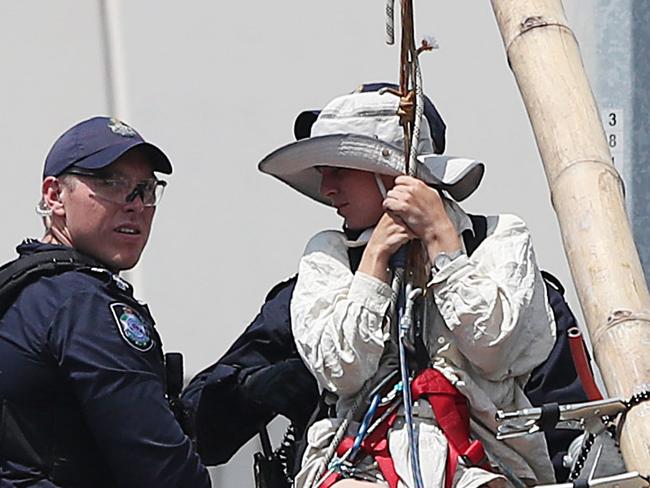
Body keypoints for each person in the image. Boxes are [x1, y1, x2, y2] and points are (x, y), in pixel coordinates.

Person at [257, 87, 557, 487]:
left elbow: (492, 349)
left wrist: (441, 241)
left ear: (393, 175)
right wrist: (375, 261)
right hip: (360, 463)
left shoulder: (498, 239)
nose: (327, 188)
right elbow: (342, 371)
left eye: (340, 170)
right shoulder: (328, 254)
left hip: (484, 460)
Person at [0, 117, 211, 488]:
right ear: (54, 196)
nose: (136, 205)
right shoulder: (82, 304)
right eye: (111, 183)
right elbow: (165, 474)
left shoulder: (20, 290)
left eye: (145, 189)